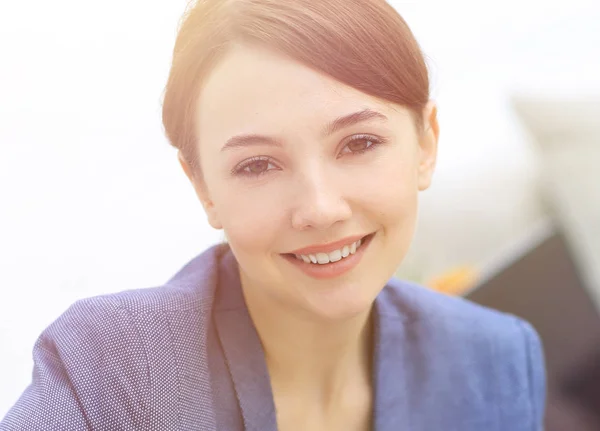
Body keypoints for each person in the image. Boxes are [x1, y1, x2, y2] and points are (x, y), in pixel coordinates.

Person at [0, 0, 546, 430]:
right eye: (258, 164)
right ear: (204, 188)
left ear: (426, 144)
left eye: (358, 143)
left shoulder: (496, 361)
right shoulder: (114, 367)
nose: (320, 208)